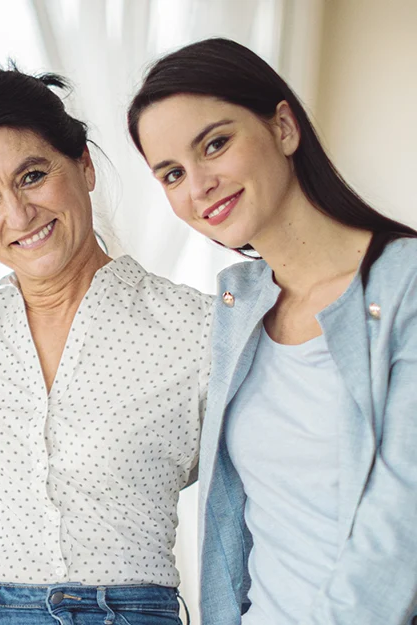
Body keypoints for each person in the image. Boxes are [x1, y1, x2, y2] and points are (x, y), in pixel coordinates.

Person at [128, 37, 417, 625]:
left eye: (215, 143)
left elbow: (402, 526)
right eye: (172, 173)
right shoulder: (236, 312)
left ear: (283, 127)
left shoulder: (404, 284)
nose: (199, 185)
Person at [0, 65, 211, 625]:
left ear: (85, 165)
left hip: (124, 609)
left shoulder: (195, 331)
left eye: (31, 176)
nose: (18, 215)